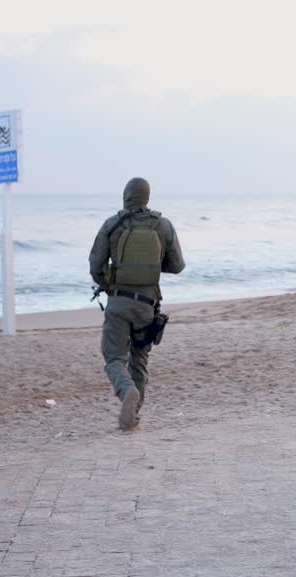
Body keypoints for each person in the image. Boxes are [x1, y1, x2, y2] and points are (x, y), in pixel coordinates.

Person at [89, 177, 185, 430]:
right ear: (146, 197)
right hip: (147, 304)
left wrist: (109, 282)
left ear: (126, 196)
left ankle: (126, 391)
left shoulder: (112, 224)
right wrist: (151, 266)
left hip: (118, 303)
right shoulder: (163, 225)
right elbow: (177, 266)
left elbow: (95, 266)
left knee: (114, 358)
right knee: (139, 359)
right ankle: (133, 415)